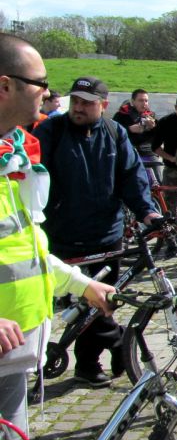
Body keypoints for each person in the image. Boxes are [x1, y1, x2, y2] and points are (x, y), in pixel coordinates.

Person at [0, 35, 115, 440]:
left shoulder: (12, 154)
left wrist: (81, 283)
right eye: (41, 84)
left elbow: (26, 248)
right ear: (5, 86)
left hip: (16, 349)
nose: (49, 95)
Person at [34, 76, 160, 386]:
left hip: (106, 234)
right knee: (87, 301)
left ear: (102, 105)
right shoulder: (52, 131)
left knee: (102, 302)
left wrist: (146, 211)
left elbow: (131, 175)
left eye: (86, 103)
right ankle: (119, 345)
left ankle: (87, 365)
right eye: (75, 101)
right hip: (64, 233)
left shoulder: (115, 133)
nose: (78, 107)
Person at [151, 94, 177, 220]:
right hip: (172, 168)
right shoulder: (165, 122)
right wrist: (171, 158)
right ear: (176, 108)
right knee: (169, 204)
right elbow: (155, 147)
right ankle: (171, 230)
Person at [113, 88, 161, 183]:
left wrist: (154, 128)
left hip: (148, 152)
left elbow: (159, 137)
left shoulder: (151, 115)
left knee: (158, 181)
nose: (144, 103)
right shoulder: (121, 115)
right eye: (140, 100)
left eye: (146, 100)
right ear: (133, 101)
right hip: (129, 151)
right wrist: (129, 129)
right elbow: (113, 133)